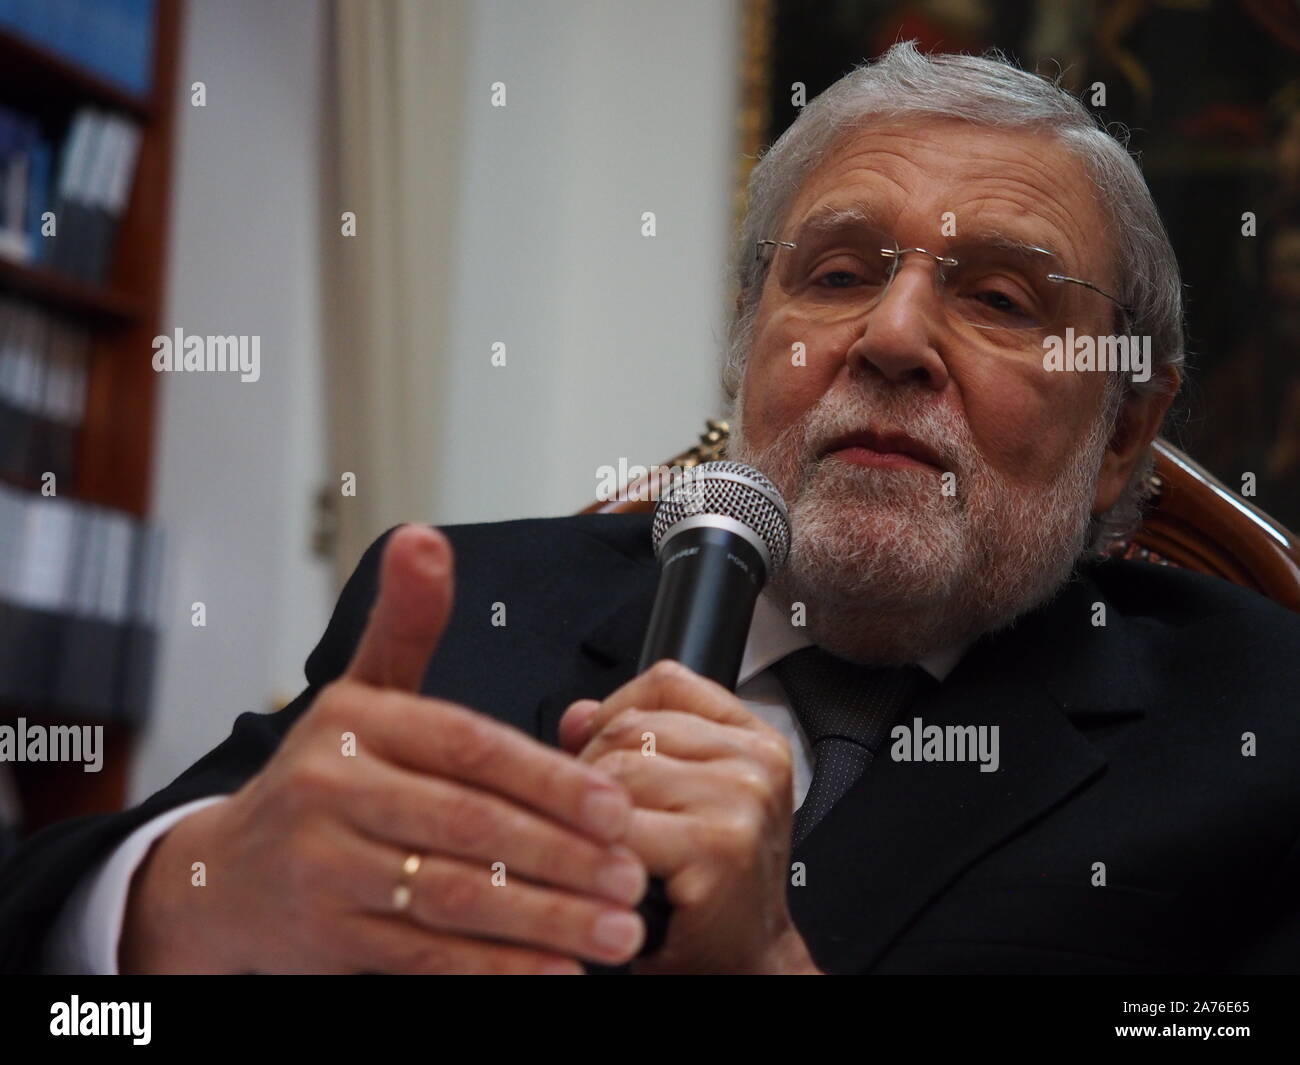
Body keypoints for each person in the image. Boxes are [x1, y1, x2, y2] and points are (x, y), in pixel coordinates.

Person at [2, 42, 1298, 975]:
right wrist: (180, 906)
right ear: (747, 347)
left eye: (1003, 298)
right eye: (838, 272)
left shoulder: (1257, 732)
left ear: (1126, 416)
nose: (892, 337)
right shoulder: (461, 605)